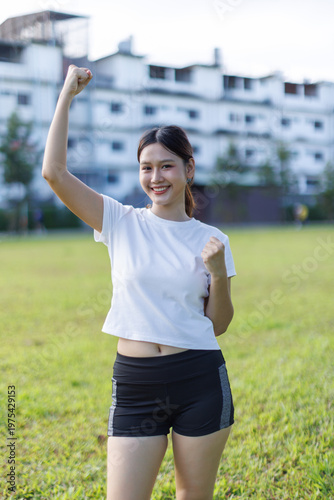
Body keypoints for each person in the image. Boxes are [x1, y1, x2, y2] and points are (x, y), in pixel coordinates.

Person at [42, 65, 237, 500]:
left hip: (199, 379)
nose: (156, 178)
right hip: (135, 384)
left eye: (167, 166)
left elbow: (219, 324)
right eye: (146, 168)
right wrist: (66, 97)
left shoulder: (213, 240)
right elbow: (54, 172)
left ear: (188, 168)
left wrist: (219, 272)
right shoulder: (119, 221)